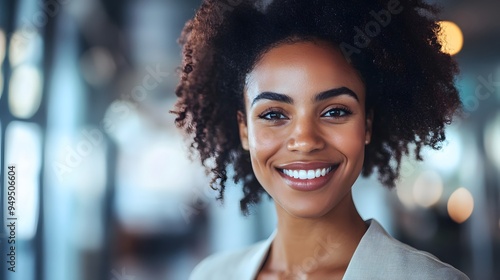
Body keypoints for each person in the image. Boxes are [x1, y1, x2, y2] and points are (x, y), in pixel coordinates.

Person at [172, 0, 469, 279]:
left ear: (367, 125)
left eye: (335, 111)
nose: (305, 140)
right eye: (274, 114)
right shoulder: (211, 275)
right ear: (244, 130)